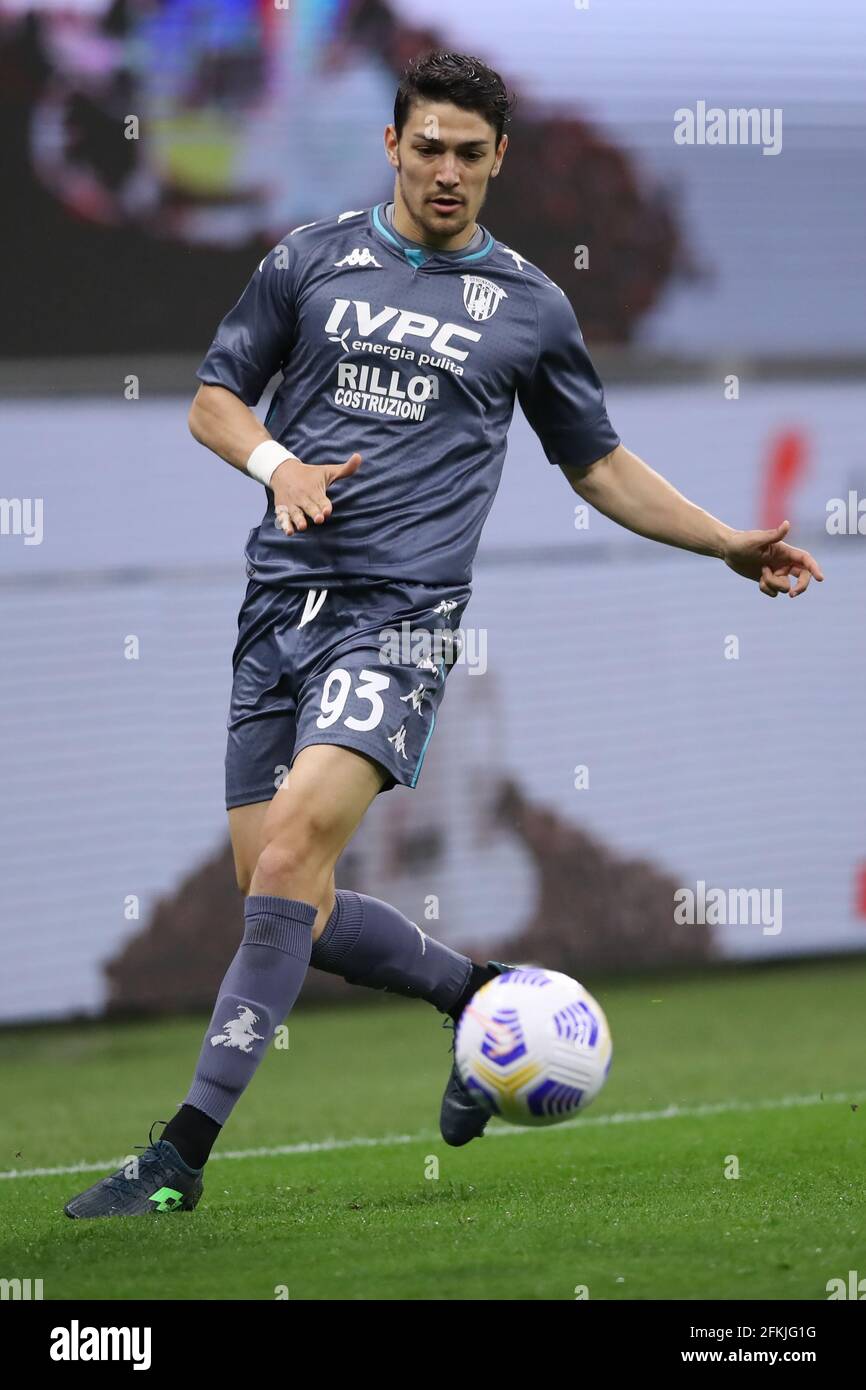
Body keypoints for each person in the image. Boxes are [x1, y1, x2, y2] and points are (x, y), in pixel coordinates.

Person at [64, 51, 822, 1218]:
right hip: (278, 611)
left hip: (401, 624)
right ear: (391, 146)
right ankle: (478, 992)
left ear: (499, 159)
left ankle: (175, 1158)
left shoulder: (529, 305)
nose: (448, 171)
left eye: (471, 153)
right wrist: (279, 465)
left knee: (283, 867)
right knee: (289, 909)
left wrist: (721, 539)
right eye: (429, 147)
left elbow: (598, 464)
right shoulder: (307, 259)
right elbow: (216, 399)